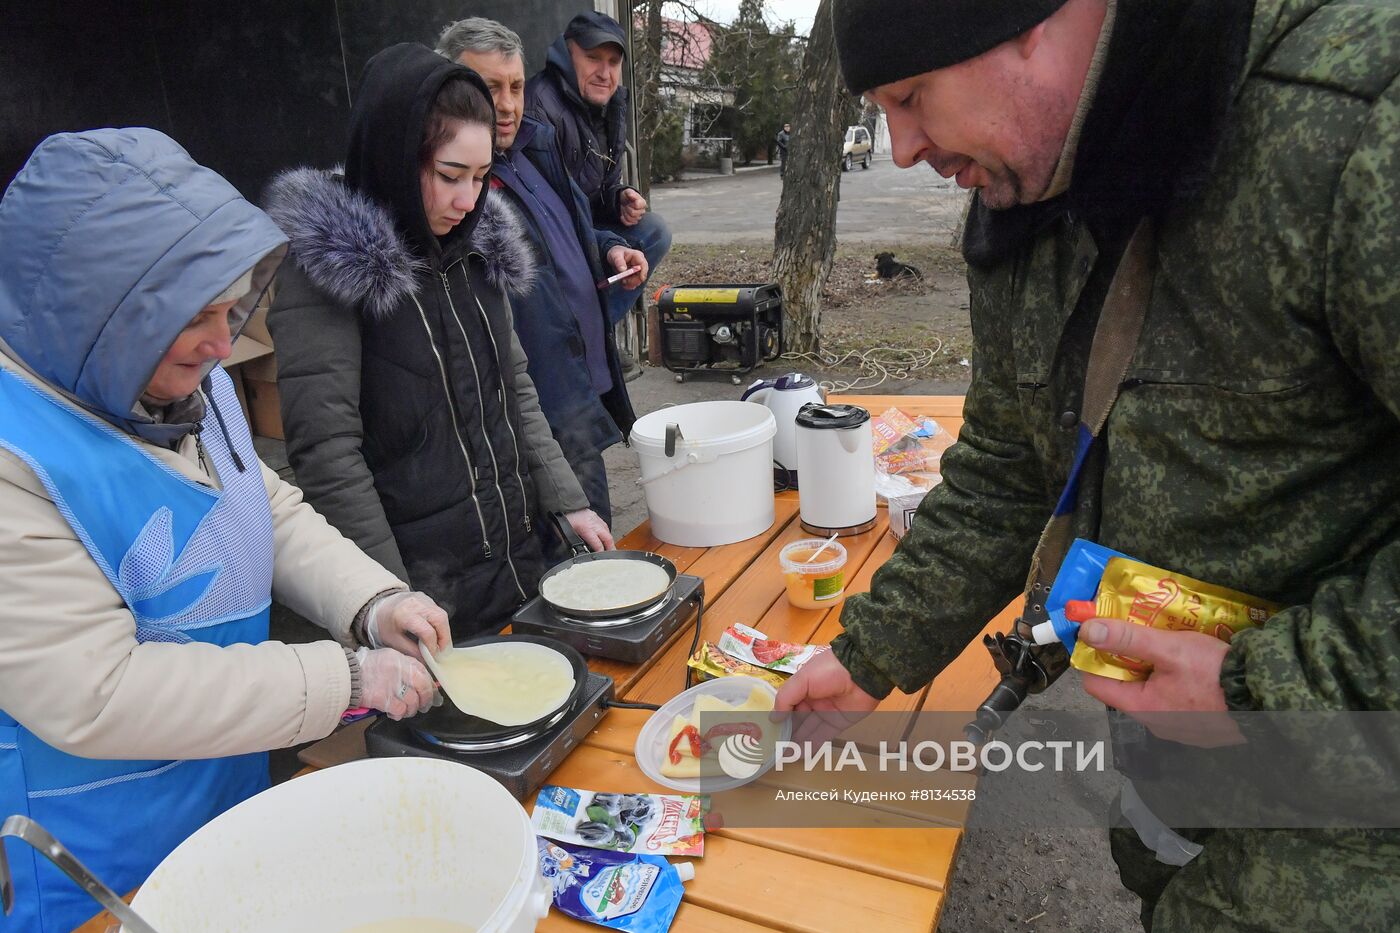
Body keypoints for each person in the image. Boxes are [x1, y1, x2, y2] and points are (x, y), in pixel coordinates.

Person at [777, 0, 1400, 929]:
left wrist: (1266, 690)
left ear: (1032, 21)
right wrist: (869, 654)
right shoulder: (1024, 186)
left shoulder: (1354, 126)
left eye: (911, 97)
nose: (901, 147)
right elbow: (1006, 468)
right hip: (1184, 810)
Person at [0, 127, 448, 933]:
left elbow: (259, 503)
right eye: (193, 316)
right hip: (94, 877)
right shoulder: (15, 457)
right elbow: (101, 694)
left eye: (230, 307)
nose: (224, 343)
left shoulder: (182, 382)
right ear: (101, 316)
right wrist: (349, 679)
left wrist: (374, 601)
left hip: (221, 814)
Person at [266, 44, 612, 640]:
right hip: (421, 590)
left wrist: (567, 500)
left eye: (481, 178)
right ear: (398, 156)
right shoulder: (326, 271)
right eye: (450, 175)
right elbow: (328, 455)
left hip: (516, 561)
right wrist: (384, 600)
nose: (467, 201)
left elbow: (517, 391)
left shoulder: (480, 248)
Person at [435, 18, 646, 537]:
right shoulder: (462, 193)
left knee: (595, 536)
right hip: (544, 407)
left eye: (515, 86)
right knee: (576, 556)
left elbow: (567, 234)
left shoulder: (535, 148)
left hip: (585, 384)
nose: (507, 105)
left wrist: (610, 247)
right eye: (488, 88)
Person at [524, 11, 672, 326]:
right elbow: (548, 217)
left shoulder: (610, 104)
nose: (605, 73)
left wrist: (618, 198)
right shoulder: (540, 107)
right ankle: (581, 341)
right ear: (566, 55)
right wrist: (607, 244)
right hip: (549, 238)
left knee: (654, 231)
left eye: (613, 62)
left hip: (584, 228)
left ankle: (595, 331)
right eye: (593, 58)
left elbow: (601, 184)